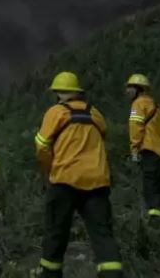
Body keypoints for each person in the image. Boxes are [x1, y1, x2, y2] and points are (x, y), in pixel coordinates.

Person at [33, 72, 124, 278]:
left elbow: (41, 146)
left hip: (64, 181)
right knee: (103, 236)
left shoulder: (56, 112)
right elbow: (103, 139)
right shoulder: (96, 114)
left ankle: (49, 275)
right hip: (97, 182)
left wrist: (49, 170)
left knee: (55, 234)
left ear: (59, 93)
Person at [125, 74, 160, 218]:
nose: (127, 91)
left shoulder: (138, 104)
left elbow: (136, 127)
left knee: (151, 189)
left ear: (138, 89)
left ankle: (155, 224)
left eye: (130, 87)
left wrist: (134, 149)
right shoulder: (157, 106)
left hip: (150, 152)